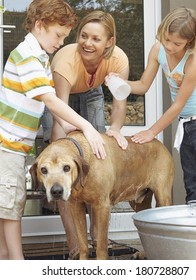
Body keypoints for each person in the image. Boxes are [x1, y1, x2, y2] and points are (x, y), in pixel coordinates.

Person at [0, 0, 106, 260]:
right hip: (4, 145)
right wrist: (85, 125)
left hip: (14, 146)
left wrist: (73, 128)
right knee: (12, 210)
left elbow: (49, 104)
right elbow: (51, 100)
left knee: (8, 216)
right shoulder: (26, 56)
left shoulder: (40, 57)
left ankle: (4, 259)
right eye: (58, 35)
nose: (61, 42)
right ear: (40, 25)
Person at [48, 10, 130, 259]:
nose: (87, 43)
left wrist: (114, 130)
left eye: (96, 39)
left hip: (93, 91)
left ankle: (98, 239)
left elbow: (119, 106)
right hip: (61, 99)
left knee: (96, 162)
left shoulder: (119, 60)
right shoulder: (64, 61)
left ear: (109, 42)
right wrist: (60, 148)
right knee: (62, 167)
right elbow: (59, 112)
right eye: (84, 36)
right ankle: (75, 245)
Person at [126, 7, 196, 204]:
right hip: (185, 123)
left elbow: (179, 104)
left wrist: (151, 132)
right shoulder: (158, 49)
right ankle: (194, 230)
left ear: (190, 40)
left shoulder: (194, 60)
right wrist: (119, 83)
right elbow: (143, 86)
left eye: (177, 43)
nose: (169, 46)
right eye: (166, 39)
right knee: (191, 180)